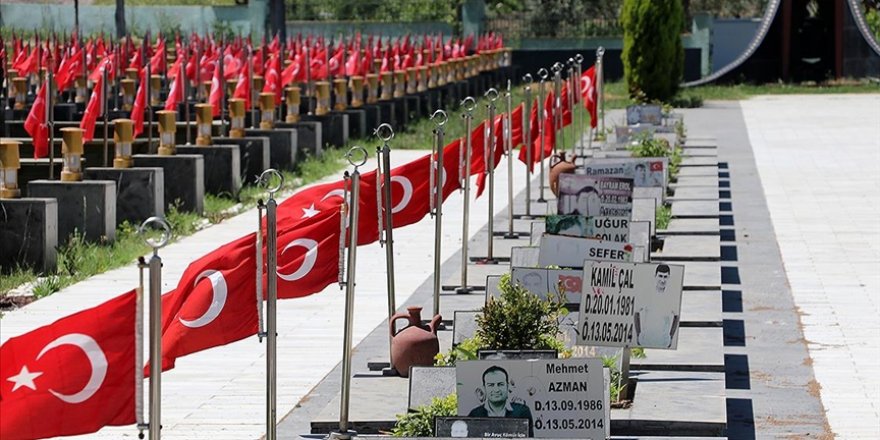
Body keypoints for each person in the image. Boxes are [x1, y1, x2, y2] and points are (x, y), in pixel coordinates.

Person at [468, 366, 534, 437]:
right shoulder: (475, 414)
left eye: (500, 384)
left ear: (507, 386)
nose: (496, 390)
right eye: (491, 385)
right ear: (484, 388)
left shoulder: (522, 412)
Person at [633, 264, 680, 348]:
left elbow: (676, 316)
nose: (662, 280)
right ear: (655, 276)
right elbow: (636, 313)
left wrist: (671, 337)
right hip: (646, 340)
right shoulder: (647, 293)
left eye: (665, 277)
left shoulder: (672, 297)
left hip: (663, 342)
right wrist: (638, 335)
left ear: (669, 277)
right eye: (660, 276)